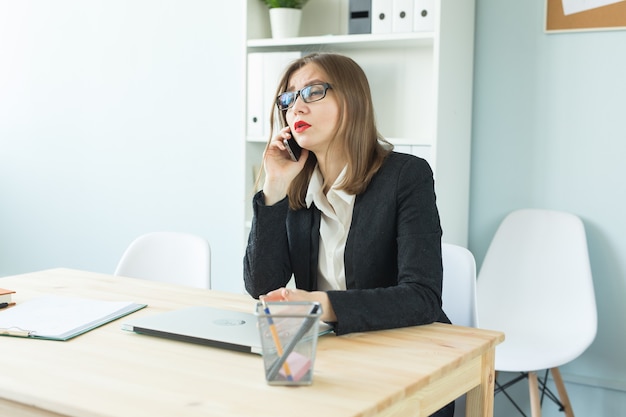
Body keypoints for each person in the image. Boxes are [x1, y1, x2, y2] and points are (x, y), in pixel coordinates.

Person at [243, 53, 453, 416]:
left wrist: (323, 305)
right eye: (289, 98)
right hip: (333, 355)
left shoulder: (407, 176)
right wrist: (274, 187)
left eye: (313, 91)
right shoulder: (296, 186)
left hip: (404, 356)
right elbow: (262, 285)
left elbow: (423, 297)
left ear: (353, 100)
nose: (296, 108)